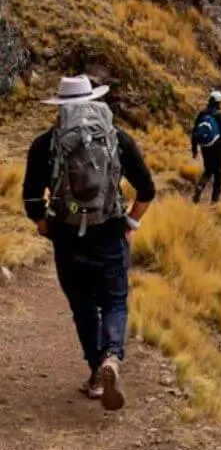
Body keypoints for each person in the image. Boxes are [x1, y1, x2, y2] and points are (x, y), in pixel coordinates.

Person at [22, 75, 155, 411]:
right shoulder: (116, 139)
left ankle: (97, 372)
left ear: (60, 107)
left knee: (82, 306)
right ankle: (113, 355)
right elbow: (147, 188)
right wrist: (130, 223)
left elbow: (31, 198)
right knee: (114, 302)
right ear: (95, 101)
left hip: (67, 237)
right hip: (109, 231)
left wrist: (45, 227)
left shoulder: (45, 144)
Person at [191, 90, 221, 205]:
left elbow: (195, 132)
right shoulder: (220, 115)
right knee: (218, 171)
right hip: (218, 147)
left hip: (205, 146)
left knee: (208, 170)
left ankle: (200, 186)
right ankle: (215, 198)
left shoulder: (202, 114)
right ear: (219, 102)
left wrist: (194, 149)